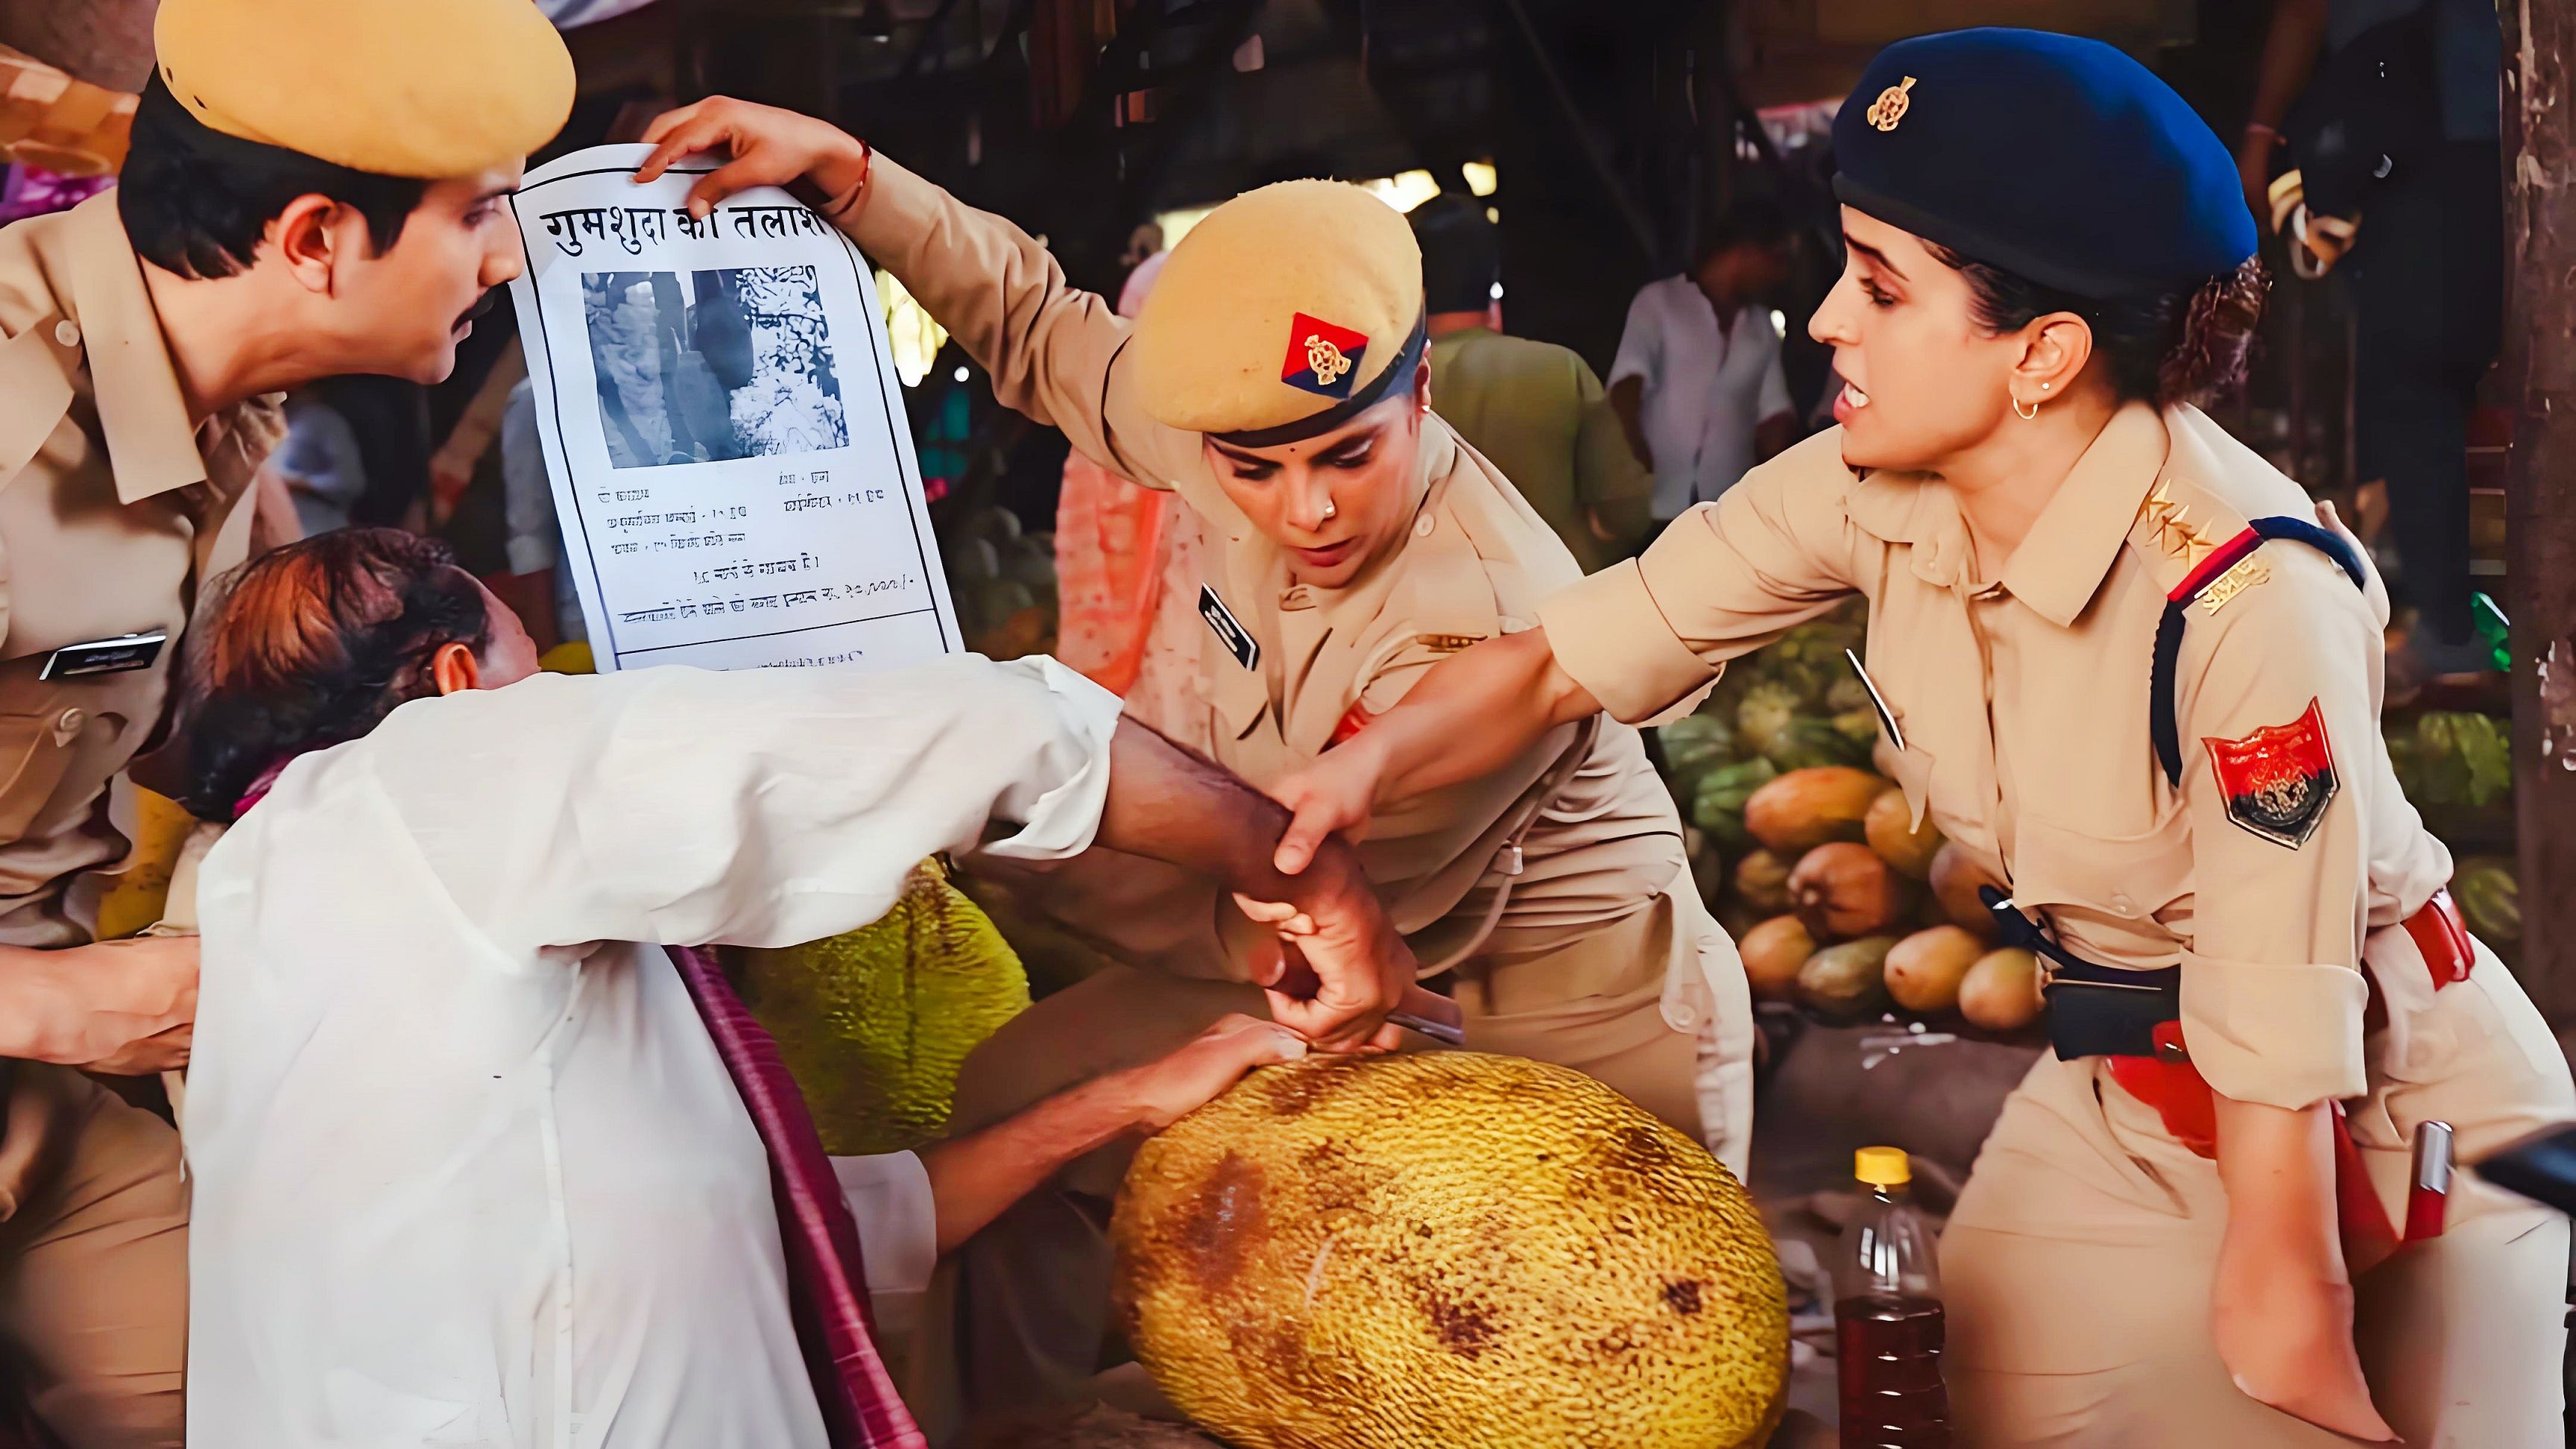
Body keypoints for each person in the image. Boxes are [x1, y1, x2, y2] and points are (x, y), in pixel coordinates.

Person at [1266, 28, 2575, 1448]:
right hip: (2126, 1082)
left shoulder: (2244, 599)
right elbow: (1555, 664)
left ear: (2044, 353)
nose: (1829, 319)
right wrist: (1342, 780)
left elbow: (2278, 1019)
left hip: (2391, 1121)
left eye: (1882, 287)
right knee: (1965, 1386)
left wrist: (2290, 1294)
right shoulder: (1860, 487)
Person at [631, 98, 1756, 1434]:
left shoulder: (1483, 612)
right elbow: (1044, 331)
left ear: (1424, 391)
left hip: (1556, 986)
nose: (1308, 509)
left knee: (1579, 1359)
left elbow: (1281, 892)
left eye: (1351, 453)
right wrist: (858, 179)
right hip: (1301, 934)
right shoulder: (1242, 428)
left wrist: (973, 822)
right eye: (1257, 471)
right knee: (1008, 1103)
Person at [174, 528, 1433, 1447]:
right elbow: (987, 731)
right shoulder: (445, 772)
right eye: (531, 669)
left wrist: (1131, 1095)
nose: (560, 699)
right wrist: (1311, 875)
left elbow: (780, 1229)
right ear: (457, 684)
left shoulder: (259, 897)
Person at [0, 0, 572, 1439]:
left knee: (305, 1386)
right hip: (41, 1022)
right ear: (315, 238)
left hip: (45, 1104)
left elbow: (175, 723)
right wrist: (62, 1005)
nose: (509, 253)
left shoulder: (223, 415)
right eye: (480, 212)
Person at [2238, 0, 2502, 681]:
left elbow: (2303, 9)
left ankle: (2449, 631)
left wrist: (2263, 134)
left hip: (2416, 126)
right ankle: (2458, 625)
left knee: (2414, 379)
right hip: (2496, 114)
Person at [1409, 195, 1652, 572]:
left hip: (1426, 605)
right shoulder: (1560, 369)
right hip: (1557, 603)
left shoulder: (1384, 386)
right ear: (1492, 277)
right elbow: (1628, 510)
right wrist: (1581, 550)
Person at [1606, 193, 1796, 523]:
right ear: (1745, 251)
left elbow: (1775, 413)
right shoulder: (1659, 303)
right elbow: (1625, 383)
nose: (1781, 274)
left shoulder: (1761, 327)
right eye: (1777, 259)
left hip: (1729, 514)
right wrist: (1632, 451)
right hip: (1656, 507)